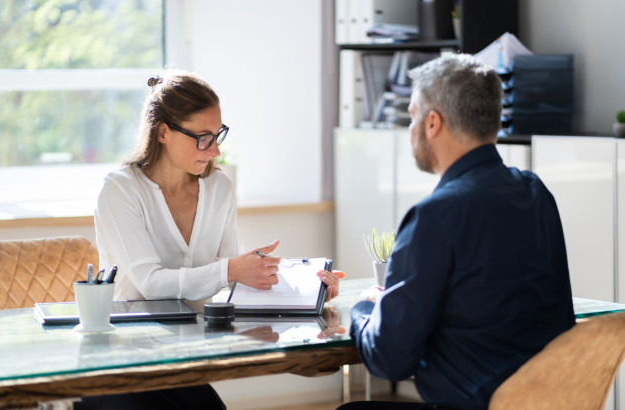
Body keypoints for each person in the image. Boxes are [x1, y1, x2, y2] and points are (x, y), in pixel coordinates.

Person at [79, 70, 344, 410]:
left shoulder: (219, 188)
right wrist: (231, 270)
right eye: (203, 137)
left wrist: (311, 290)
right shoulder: (120, 190)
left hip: (183, 360)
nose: (215, 150)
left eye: (218, 135)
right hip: (121, 363)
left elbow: (234, 283)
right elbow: (151, 283)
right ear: (163, 133)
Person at [339, 54, 575, 410]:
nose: (410, 127)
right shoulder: (535, 193)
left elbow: (390, 359)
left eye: (413, 114)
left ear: (432, 122)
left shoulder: (434, 216)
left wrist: (362, 311)